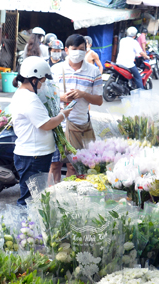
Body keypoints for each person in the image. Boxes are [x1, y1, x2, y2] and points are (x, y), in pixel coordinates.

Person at [10, 57, 72, 206]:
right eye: (43, 81)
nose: (44, 84)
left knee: (35, 198)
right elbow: (46, 124)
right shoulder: (29, 98)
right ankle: (25, 228)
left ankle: (30, 227)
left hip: (35, 155)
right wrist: (63, 115)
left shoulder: (25, 95)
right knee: (29, 200)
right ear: (34, 79)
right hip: (33, 156)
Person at [51, 34, 103, 183]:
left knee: (73, 166)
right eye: (75, 49)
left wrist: (83, 94)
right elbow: (46, 95)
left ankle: (67, 195)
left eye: (82, 49)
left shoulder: (93, 72)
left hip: (79, 125)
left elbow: (99, 101)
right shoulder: (55, 69)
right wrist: (62, 97)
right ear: (66, 50)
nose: (78, 52)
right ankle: (52, 197)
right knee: (54, 164)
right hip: (56, 124)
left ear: (86, 51)